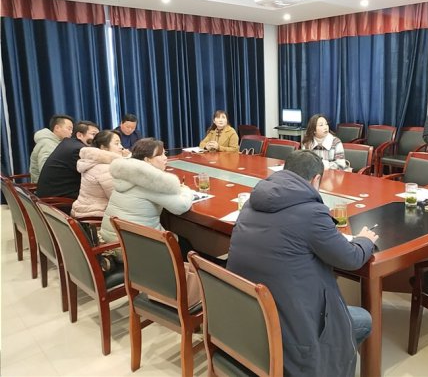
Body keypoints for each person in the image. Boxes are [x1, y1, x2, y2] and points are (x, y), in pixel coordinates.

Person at [227, 150, 378, 377]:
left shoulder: (252, 202)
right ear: (316, 180)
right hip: (290, 330)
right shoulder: (311, 212)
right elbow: (351, 258)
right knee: (363, 320)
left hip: (246, 315)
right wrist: (365, 240)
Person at [100, 137, 195, 259]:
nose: (165, 158)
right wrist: (186, 190)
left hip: (112, 243)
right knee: (186, 245)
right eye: (160, 155)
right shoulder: (150, 180)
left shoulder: (126, 173)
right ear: (147, 160)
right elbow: (181, 207)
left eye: (165, 153)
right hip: (136, 251)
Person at [36, 121, 100, 199]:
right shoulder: (78, 150)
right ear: (79, 135)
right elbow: (94, 175)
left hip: (52, 195)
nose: (98, 139)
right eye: (93, 134)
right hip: (58, 200)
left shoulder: (70, 144)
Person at [71, 130, 125, 219]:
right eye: (117, 144)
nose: (121, 147)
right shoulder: (104, 168)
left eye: (120, 143)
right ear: (104, 148)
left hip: (85, 210)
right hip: (94, 215)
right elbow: (118, 199)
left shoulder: (93, 162)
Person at [29, 114, 74, 183]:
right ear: (57, 128)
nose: (71, 132)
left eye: (72, 130)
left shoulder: (55, 143)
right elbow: (47, 171)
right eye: (69, 129)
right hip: (47, 186)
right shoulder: (47, 144)